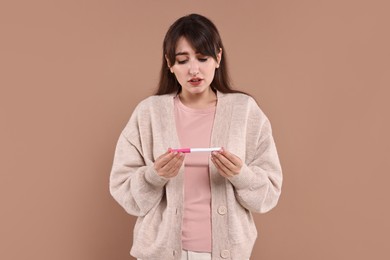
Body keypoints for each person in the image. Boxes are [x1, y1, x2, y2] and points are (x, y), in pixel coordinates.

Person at [109, 13, 283, 260]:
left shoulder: (245, 111)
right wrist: (153, 176)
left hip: (228, 253)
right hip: (160, 254)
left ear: (218, 58)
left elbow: (269, 193)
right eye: (182, 60)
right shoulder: (149, 113)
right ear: (169, 63)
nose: (194, 69)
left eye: (203, 58)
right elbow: (122, 188)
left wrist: (240, 175)